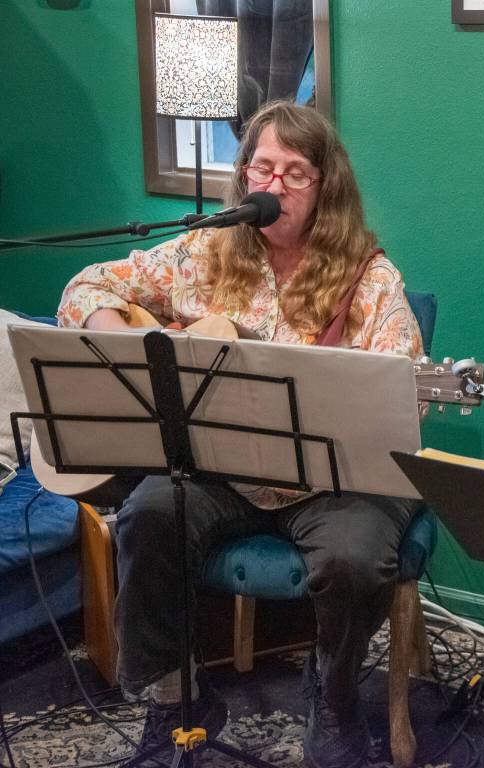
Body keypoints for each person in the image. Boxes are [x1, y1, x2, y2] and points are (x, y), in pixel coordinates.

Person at [57, 100, 423, 768]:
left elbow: (401, 388)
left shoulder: (368, 278)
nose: (275, 186)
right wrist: (132, 339)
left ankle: (336, 696)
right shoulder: (204, 254)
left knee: (353, 558)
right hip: (223, 467)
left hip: (330, 479)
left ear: (325, 187)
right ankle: (177, 695)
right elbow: (86, 286)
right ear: (243, 176)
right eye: (263, 167)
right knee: (146, 516)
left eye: (295, 173)